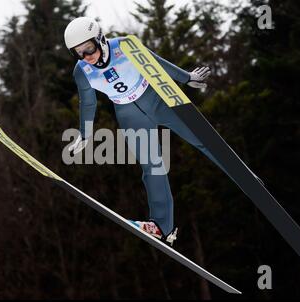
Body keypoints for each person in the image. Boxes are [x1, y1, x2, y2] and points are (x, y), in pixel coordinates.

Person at [64, 16, 226, 247]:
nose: (86, 56)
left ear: (100, 38)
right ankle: (163, 227)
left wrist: (186, 78)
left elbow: (156, 63)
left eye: (88, 48)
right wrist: (86, 133)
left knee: (200, 138)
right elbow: (88, 103)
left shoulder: (124, 46)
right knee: (152, 166)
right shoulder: (82, 71)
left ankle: (240, 174)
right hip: (129, 114)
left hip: (155, 98)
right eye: (78, 53)